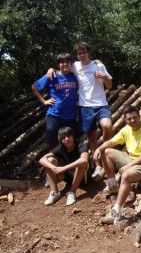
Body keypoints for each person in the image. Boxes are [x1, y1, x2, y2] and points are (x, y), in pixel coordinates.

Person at [48, 41, 113, 182]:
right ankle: (97, 166)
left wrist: (104, 76)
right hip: (84, 106)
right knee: (92, 139)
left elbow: (110, 85)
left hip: (100, 104)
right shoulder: (75, 66)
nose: (82, 55)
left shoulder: (98, 65)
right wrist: (51, 69)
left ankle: (106, 149)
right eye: (79, 53)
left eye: (84, 52)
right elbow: (63, 70)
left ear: (88, 52)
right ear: (76, 55)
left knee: (107, 125)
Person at [93, 106, 141, 224]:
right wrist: (98, 149)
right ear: (125, 120)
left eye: (135, 118)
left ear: (139, 116)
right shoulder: (127, 129)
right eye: (129, 119)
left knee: (126, 175)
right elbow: (112, 142)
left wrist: (129, 165)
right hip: (130, 159)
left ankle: (116, 209)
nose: (132, 121)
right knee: (106, 152)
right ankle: (112, 184)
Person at [32, 53, 79, 150]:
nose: (65, 64)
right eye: (62, 62)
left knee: (70, 143)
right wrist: (44, 101)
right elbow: (34, 87)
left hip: (70, 116)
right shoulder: (52, 76)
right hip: (54, 115)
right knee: (53, 143)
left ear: (71, 64)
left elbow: (86, 67)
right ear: (58, 64)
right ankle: (54, 163)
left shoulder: (75, 76)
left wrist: (96, 61)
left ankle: (69, 164)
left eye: (67, 62)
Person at [39, 127, 89, 206]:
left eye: (69, 136)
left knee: (80, 163)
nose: (66, 139)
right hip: (69, 176)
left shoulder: (81, 146)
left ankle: (72, 192)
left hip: (83, 178)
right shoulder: (61, 148)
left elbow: (84, 160)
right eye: (63, 138)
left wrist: (63, 169)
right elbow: (42, 159)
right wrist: (54, 168)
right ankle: (55, 193)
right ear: (61, 140)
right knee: (50, 160)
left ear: (73, 136)